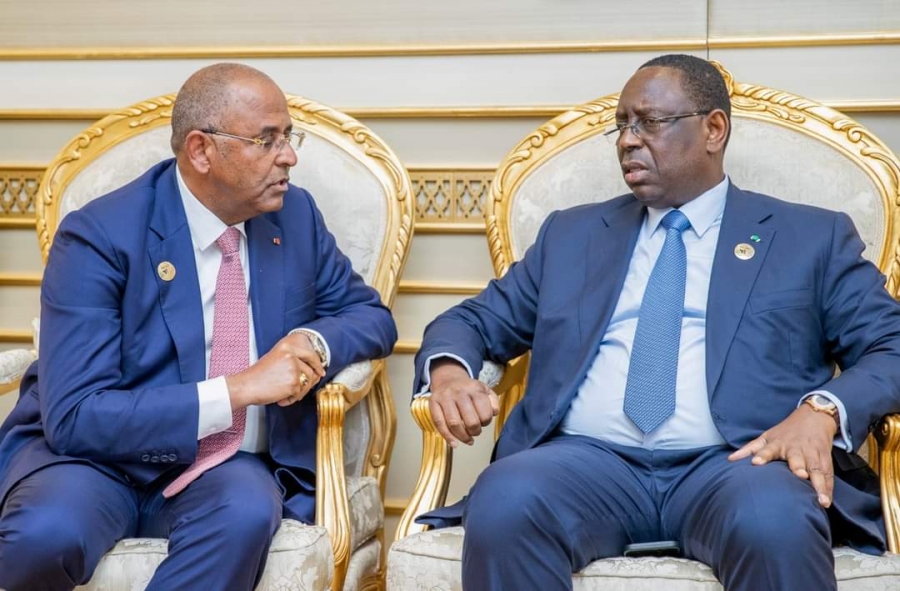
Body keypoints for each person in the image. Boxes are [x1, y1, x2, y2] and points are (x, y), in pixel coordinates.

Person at [413, 54, 900, 591]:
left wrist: (822, 410)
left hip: (741, 464)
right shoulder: (572, 235)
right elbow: (473, 321)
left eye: (649, 122)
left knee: (774, 522)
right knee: (505, 500)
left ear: (714, 129)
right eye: (622, 125)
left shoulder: (808, 237)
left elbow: (891, 344)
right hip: (585, 464)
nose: (627, 140)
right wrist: (449, 375)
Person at [0, 63, 397, 590]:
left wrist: (310, 341)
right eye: (267, 140)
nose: (289, 156)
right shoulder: (99, 236)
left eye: (289, 136)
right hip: (95, 461)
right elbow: (76, 417)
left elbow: (370, 316)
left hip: (225, 463)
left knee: (245, 513)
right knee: (45, 533)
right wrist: (241, 388)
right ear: (201, 150)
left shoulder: (295, 216)